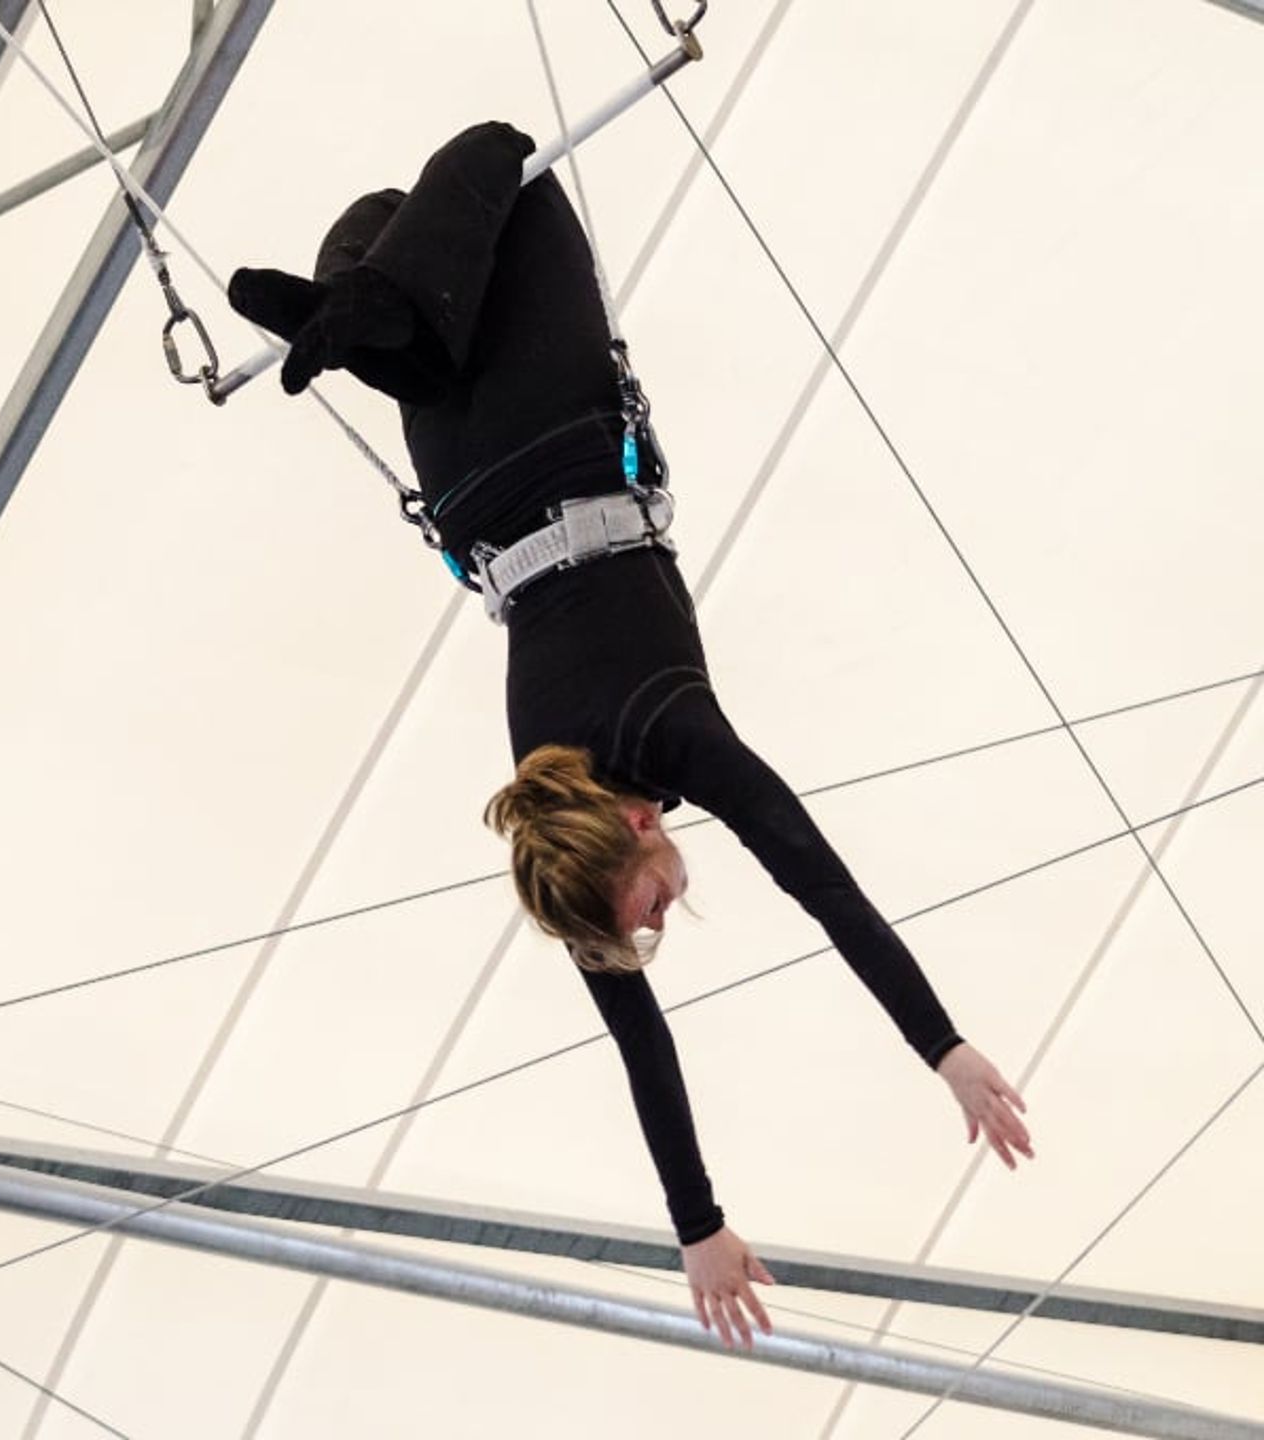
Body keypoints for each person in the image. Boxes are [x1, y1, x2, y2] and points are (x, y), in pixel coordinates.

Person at [228, 121, 1033, 1351]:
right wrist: (696, 1223)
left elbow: (824, 891)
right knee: (390, 243)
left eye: (646, 906)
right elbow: (643, 1033)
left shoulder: (673, 736)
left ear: (636, 826)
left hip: (550, 408)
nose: (660, 919)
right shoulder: (547, 826)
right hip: (467, 466)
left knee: (505, 148)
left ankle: (374, 311)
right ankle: (366, 315)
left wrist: (947, 1050)